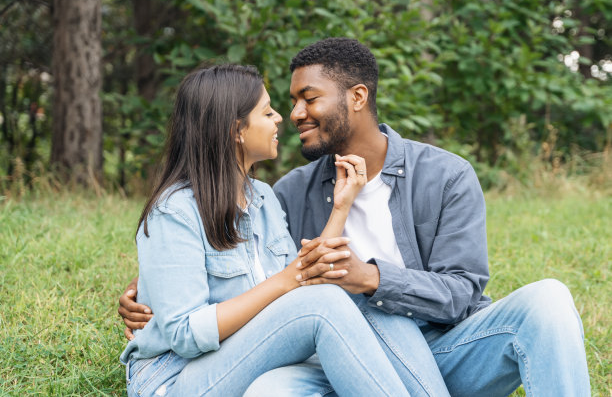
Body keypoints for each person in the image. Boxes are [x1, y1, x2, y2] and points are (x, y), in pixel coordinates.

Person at [120, 40, 590, 397]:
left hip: (435, 349)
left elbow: (463, 293)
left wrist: (372, 279)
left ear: (358, 96)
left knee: (545, 299)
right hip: (328, 359)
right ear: (234, 130)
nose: (292, 114)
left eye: (308, 98)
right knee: (276, 383)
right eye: (280, 105)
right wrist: (147, 297)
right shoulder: (289, 192)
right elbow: (283, 278)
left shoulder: (445, 176)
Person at [120, 63, 413, 397]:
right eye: (268, 112)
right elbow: (186, 334)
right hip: (176, 378)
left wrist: (341, 207)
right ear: (236, 130)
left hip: (249, 360)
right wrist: (285, 280)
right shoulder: (174, 210)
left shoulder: (263, 197)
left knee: (378, 305)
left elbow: (304, 280)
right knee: (326, 304)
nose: (280, 118)